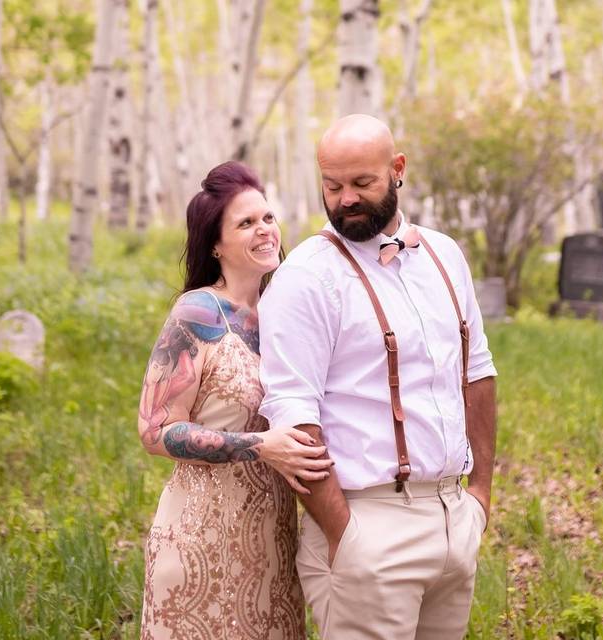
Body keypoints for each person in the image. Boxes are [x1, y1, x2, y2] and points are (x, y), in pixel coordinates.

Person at [258, 114, 498, 639]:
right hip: (368, 524)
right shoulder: (305, 278)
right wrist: (347, 536)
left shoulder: (444, 256)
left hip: (453, 518)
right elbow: (295, 416)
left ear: (397, 170)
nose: (346, 198)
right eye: (332, 185)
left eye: (362, 183)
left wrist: (479, 494)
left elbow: (476, 370)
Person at [139, 161, 329, 639]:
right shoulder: (197, 312)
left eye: (267, 218)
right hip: (200, 544)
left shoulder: (283, 312)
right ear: (216, 245)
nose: (265, 230)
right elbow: (155, 430)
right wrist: (260, 446)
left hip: (274, 544)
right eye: (246, 223)